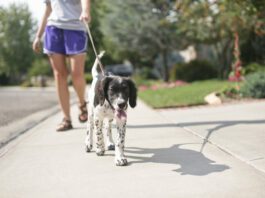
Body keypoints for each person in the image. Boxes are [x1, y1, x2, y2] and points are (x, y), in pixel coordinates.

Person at [32, 0, 91, 131]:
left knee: (77, 74)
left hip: (76, 28)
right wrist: (38, 36)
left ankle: (82, 104)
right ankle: (66, 119)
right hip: (53, 28)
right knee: (59, 75)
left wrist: (86, 11)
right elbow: (48, 9)